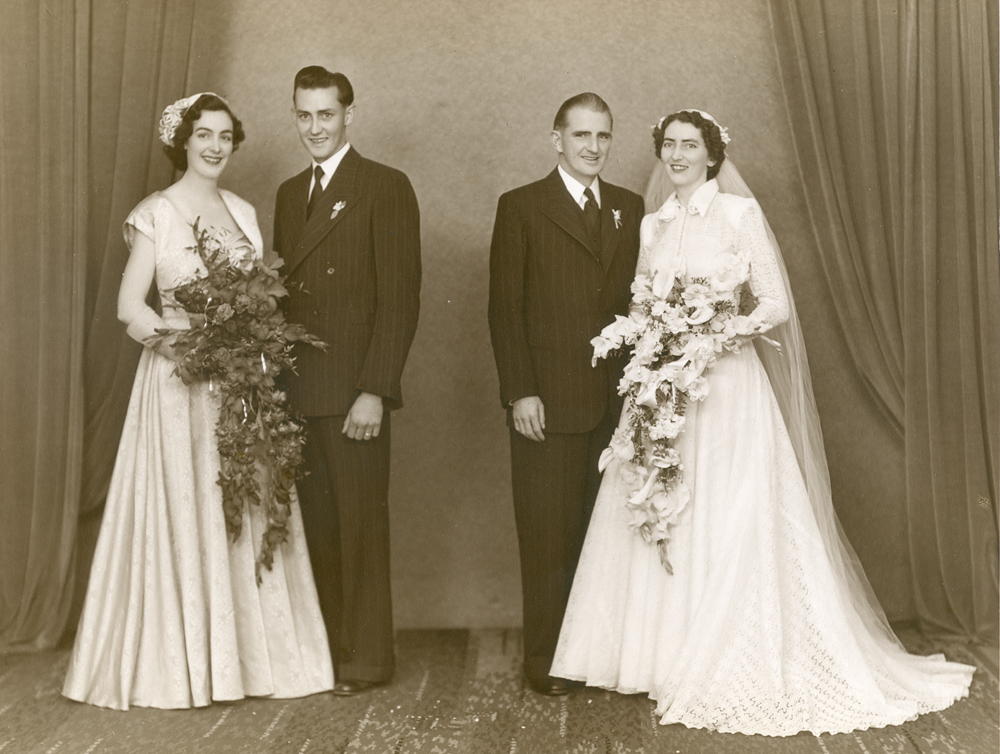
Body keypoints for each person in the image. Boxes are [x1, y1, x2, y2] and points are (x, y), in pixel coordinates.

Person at [551, 109, 975, 734]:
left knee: (726, 510)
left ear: (712, 155)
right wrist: (657, 335)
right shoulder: (651, 224)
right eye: (668, 145)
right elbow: (643, 294)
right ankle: (660, 657)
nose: (676, 156)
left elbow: (774, 301)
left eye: (689, 146)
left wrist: (716, 331)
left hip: (726, 387)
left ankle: (725, 651)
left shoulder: (738, 216)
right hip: (667, 386)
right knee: (662, 504)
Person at [63, 93, 334, 710]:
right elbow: (130, 308)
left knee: (241, 508)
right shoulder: (156, 213)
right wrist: (186, 346)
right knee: (189, 508)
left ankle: (248, 665)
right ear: (182, 142)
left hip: (240, 383)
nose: (215, 146)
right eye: (203, 135)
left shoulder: (241, 209)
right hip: (179, 383)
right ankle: (185, 665)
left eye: (224, 136)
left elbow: (261, 297)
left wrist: (248, 334)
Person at [488, 93, 645, 696]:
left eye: (603, 136)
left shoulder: (628, 209)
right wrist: (520, 392)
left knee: (600, 536)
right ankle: (549, 664)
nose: (593, 147)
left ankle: (596, 658)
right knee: (547, 536)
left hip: (613, 404)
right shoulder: (522, 206)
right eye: (581, 135)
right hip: (546, 404)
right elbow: (505, 309)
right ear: (557, 139)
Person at [273, 67, 421, 696]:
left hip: (353, 390)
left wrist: (375, 389)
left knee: (360, 525)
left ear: (348, 116)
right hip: (301, 388)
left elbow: (400, 297)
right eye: (304, 116)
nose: (315, 128)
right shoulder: (287, 193)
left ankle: (366, 659)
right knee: (319, 527)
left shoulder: (384, 186)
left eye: (325, 116)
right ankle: (328, 654)